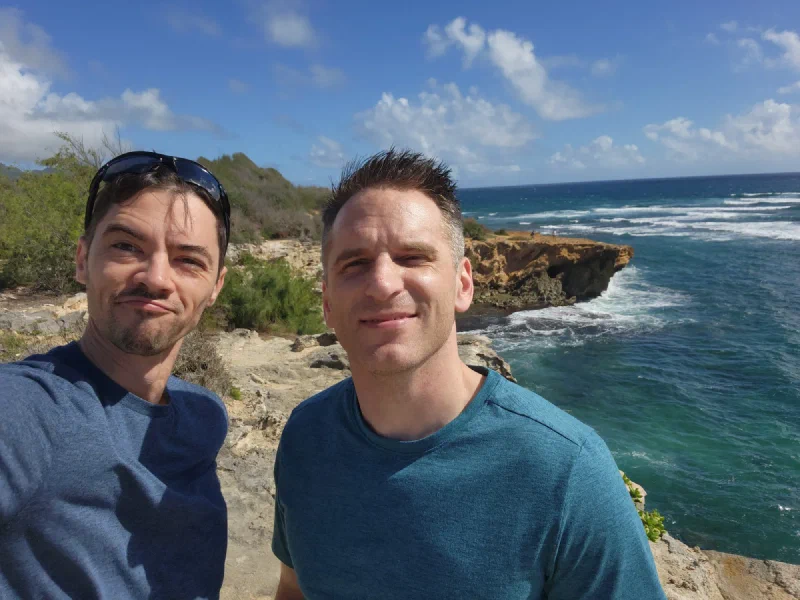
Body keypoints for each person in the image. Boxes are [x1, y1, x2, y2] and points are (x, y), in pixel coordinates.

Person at [272, 149, 667, 599]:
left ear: (463, 284)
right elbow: (294, 588)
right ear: (326, 302)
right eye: (354, 264)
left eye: (412, 257)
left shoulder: (565, 471)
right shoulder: (306, 437)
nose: (382, 283)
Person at [0, 152, 232, 599]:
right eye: (127, 246)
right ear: (83, 259)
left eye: (189, 259)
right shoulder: (30, 409)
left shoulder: (204, 417)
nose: (157, 277)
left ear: (216, 287)